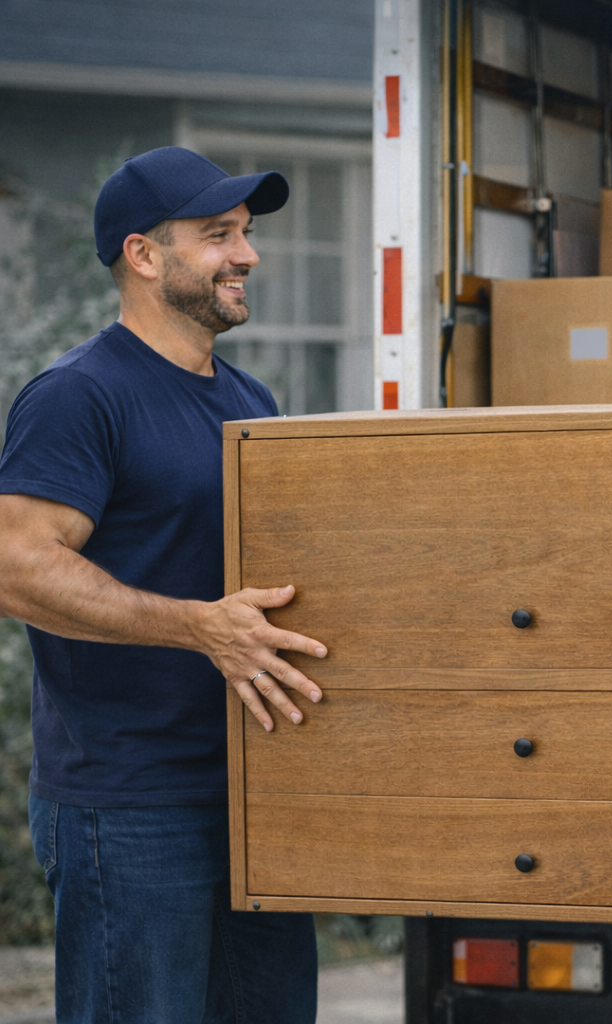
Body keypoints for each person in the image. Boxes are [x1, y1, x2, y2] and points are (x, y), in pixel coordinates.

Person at [0, 147, 329, 1023]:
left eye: (247, 234)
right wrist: (201, 628)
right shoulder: (79, 395)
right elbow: (18, 566)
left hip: (257, 793)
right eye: (218, 235)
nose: (247, 255)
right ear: (143, 255)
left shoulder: (249, 400)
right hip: (133, 803)